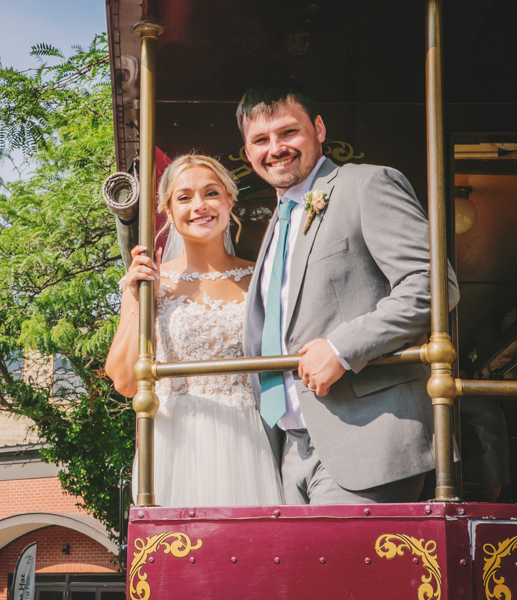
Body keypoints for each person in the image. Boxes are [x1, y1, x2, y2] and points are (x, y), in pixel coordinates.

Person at [238, 77, 460, 504]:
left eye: (288, 132)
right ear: (248, 153)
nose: (276, 148)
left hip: (368, 439)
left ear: (318, 129)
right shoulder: (277, 221)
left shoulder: (367, 184)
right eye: (261, 140)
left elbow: (433, 285)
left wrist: (341, 348)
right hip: (291, 450)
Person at [106, 154, 284, 507]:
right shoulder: (149, 283)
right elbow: (126, 382)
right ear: (168, 212)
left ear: (229, 201)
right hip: (176, 442)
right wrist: (137, 298)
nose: (199, 206)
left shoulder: (260, 278)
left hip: (247, 438)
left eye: (211, 193)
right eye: (184, 197)